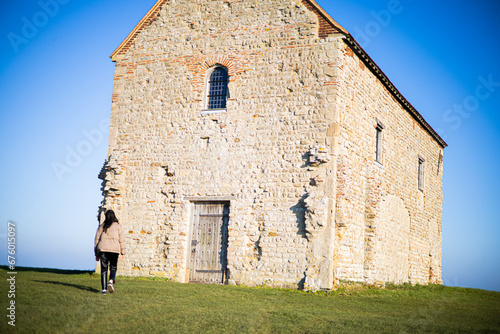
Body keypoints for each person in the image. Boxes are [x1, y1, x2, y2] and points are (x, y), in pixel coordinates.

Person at [94, 210, 126, 294]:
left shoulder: (102, 226)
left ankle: (104, 289)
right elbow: (122, 239)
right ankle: (111, 281)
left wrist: (96, 253)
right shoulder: (118, 226)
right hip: (114, 250)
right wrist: (123, 252)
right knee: (113, 267)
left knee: (103, 269)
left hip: (103, 249)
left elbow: (96, 240)